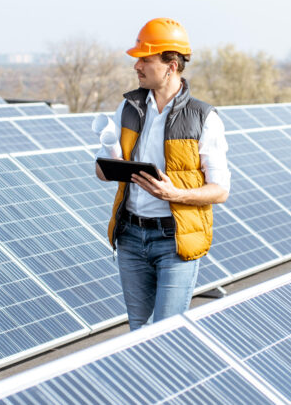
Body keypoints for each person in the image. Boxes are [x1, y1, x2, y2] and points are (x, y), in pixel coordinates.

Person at [95, 17, 230, 330]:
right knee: (138, 333)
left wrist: (176, 195)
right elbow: (103, 172)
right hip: (130, 237)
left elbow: (220, 190)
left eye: (146, 59)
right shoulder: (127, 108)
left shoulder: (203, 117)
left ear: (172, 65)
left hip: (175, 240)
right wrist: (109, 162)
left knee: (166, 334)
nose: (137, 66)